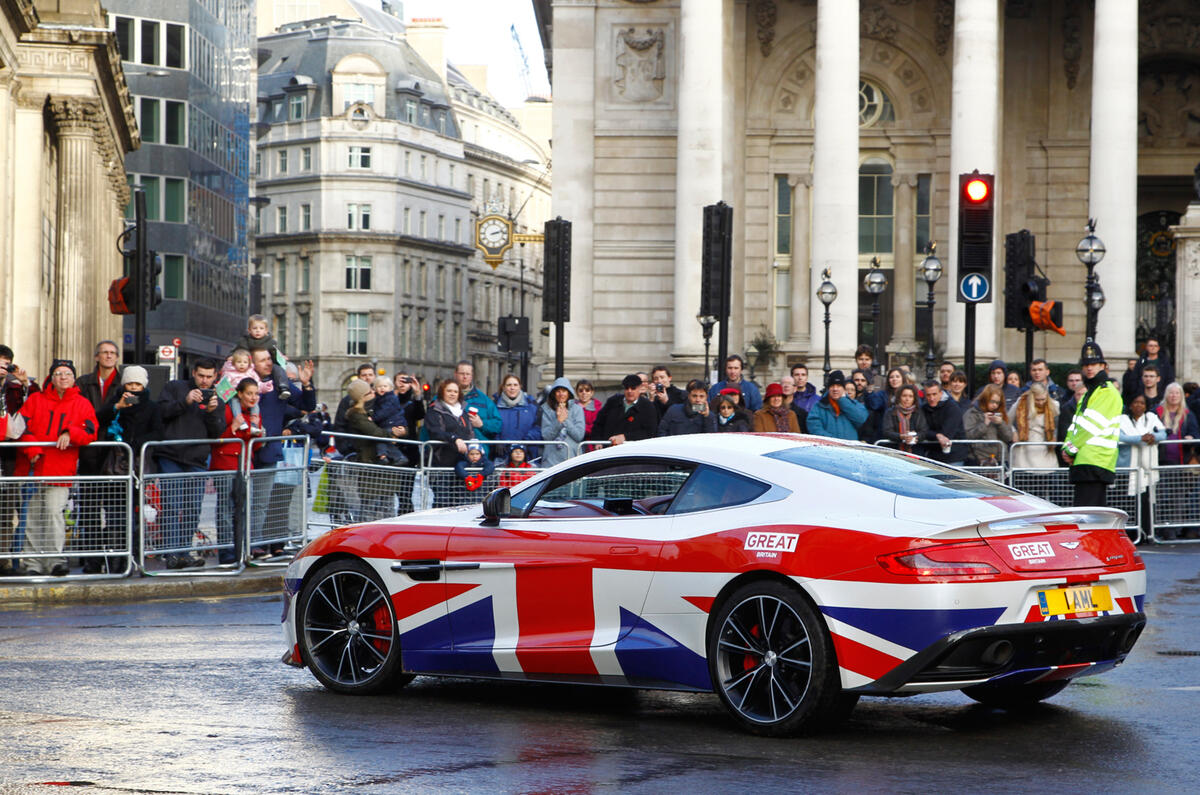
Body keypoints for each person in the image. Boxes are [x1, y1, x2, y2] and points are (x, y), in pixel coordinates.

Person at [18, 360, 98, 576]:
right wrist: (32, 449)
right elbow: (19, 427)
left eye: (67, 374)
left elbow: (91, 431)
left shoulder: (82, 404)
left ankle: (54, 560)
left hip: (60, 469)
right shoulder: (35, 400)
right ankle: (33, 563)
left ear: (74, 379)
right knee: (33, 516)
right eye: (58, 373)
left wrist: (70, 432)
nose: (63, 377)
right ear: (51, 378)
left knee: (54, 514)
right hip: (33, 467)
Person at [156, 358, 225, 569]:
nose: (204, 381)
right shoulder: (175, 387)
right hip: (171, 455)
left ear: (215, 377)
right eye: (201, 376)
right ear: (193, 373)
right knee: (171, 505)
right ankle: (171, 553)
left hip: (196, 459)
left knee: (192, 507)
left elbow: (217, 433)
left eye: (209, 377)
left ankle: (185, 551)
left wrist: (212, 413)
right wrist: (185, 402)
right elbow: (162, 413)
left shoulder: (216, 398)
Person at [93, 365, 162, 572]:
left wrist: (135, 443)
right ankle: (115, 561)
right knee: (114, 514)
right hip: (114, 468)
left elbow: (158, 433)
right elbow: (99, 418)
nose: (133, 388)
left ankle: (132, 557)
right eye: (130, 383)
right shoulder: (116, 402)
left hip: (137, 468)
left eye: (137, 384)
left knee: (133, 515)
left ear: (144, 385)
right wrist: (118, 407)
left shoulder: (152, 407)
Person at [74, 340, 125, 574]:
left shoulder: (125, 382)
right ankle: (92, 561)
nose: (108, 356)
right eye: (104, 353)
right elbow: (82, 415)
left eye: (112, 353)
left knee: (116, 510)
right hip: (91, 453)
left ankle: (116, 560)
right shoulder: (84, 382)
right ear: (96, 357)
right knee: (90, 510)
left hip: (116, 455)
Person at [1062, 342, 1123, 508]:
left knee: (1089, 517)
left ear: (1103, 366)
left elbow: (1091, 427)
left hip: (1096, 461)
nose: (1089, 368)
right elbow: (1076, 424)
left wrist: (1069, 449)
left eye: (1094, 364)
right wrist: (1067, 447)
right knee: (1085, 515)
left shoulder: (1107, 391)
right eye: (1086, 365)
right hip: (1085, 460)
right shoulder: (1091, 391)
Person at [210, 379, 260, 565]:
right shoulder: (228, 409)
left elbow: (256, 445)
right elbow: (216, 436)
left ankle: (244, 549)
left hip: (246, 465)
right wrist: (232, 428)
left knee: (246, 510)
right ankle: (227, 552)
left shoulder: (255, 413)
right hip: (225, 464)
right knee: (225, 510)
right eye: (249, 393)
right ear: (239, 394)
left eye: (256, 394)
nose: (253, 398)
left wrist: (260, 432)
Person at [0, 347, 38, 576]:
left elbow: (36, 408)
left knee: (6, 510)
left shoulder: (15, 388)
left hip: (10, 456)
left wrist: (27, 385)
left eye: (6, 363)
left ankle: (3, 561)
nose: (3, 368)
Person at [1117, 394, 1165, 538]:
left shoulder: (1151, 418)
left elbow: (1163, 434)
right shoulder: (1122, 419)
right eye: (1135, 402)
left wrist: (1153, 437)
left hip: (1147, 469)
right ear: (1130, 405)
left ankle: (1146, 533)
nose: (1139, 405)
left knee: (1146, 502)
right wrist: (1140, 438)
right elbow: (1119, 436)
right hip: (1128, 468)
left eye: (1142, 403)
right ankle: (1129, 534)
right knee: (1127, 502)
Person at [233, 314, 292, 400]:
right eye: (255, 328)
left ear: (266, 331)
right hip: (248, 366)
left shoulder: (270, 342)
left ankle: (283, 387)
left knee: (278, 369)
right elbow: (237, 352)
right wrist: (231, 357)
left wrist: (281, 357)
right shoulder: (244, 341)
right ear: (249, 330)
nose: (258, 331)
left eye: (261, 328)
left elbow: (276, 352)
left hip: (269, 373)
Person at [593, 374, 657, 445]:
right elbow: (598, 423)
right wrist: (598, 441)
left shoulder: (647, 406)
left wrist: (625, 437)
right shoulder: (613, 401)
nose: (629, 391)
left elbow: (649, 432)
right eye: (627, 388)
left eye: (633, 388)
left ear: (639, 388)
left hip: (632, 449)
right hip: (608, 446)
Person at [806, 371, 867, 441]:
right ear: (828, 388)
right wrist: (833, 441)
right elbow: (814, 428)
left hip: (849, 449)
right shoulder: (818, 406)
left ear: (844, 388)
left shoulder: (854, 404)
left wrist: (843, 401)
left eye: (838, 386)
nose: (835, 389)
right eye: (832, 386)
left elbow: (861, 419)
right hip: (827, 448)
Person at [1010, 382, 1059, 469]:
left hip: (1046, 449)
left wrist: (1054, 436)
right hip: (1024, 451)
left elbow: (1058, 425)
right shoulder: (1021, 403)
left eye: (1043, 399)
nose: (1041, 403)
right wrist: (1014, 432)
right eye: (1037, 400)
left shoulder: (1054, 405)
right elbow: (1007, 420)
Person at [493, 374, 541, 460]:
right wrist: (497, 440)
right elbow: (492, 426)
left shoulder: (532, 405)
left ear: (520, 387)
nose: (512, 388)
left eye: (515, 385)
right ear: (503, 387)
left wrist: (525, 441)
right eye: (509, 385)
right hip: (502, 455)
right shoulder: (494, 405)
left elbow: (538, 427)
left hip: (527, 455)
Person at [964, 384, 1013, 467]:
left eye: (997, 403)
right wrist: (984, 424)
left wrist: (1001, 424)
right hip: (979, 460)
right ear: (985, 399)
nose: (995, 405)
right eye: (992, 401)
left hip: (1000, 459)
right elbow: (968, 436)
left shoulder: (1002, 413)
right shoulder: (972, 413)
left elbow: (1009, 438)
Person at [540, 377, 584, 467]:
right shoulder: (546, 409)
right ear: (554, 393)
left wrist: (565, 420)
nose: (561, 394)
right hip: (551, 460)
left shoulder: (577, 409)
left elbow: (579, 435)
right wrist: (558, 421)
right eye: (558, 391)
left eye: (564, 391)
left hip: (572, 458)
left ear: (569, 393)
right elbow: (546, 436)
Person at [216, 349, 262, 432]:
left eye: (245, 362)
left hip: (247, 396)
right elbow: (223, 384)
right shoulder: (229, 373)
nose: (242, 364)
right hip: (234, 395)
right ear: (233, 363)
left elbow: (258, 383)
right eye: (239, 362)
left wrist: (265, 386)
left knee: (255, 405)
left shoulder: (251, 373)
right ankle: (240, 421)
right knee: (235, 404)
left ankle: (254, 424)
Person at [921, 380, 966, 464]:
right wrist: (937, 435)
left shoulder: (952, 407)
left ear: (941, 393)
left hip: (954, 456)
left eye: (934, 394)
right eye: (928, 395)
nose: (931, 398)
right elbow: (921, 430)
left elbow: (946, 434)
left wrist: (932, 434)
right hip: (932, 456)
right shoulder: (923, 408)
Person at [455, 360, 501, 440]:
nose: (465, 377)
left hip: (478, 448)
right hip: (452, 447)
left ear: (472, 376)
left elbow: (497, 424)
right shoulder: (444, 396)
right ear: (455, 374)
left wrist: (482, 424)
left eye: (468, 374)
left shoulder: (484, 400)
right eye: (462, 373)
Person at [1156, 382, 1199, 465]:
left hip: (1182, 460)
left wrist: (1191, 437)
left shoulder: (1188, 414)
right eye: (1171, 393)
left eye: (1177, 393)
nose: (1174, 396)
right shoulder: (1156, 412)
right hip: (1159, 460)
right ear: (1166, 395)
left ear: (1181, 396)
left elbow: (1195, 433)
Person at [368, 379, 408, 463]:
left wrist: (373, 418)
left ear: (390, 388)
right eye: (379, 386)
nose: (382, 388)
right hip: (388, 423)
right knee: (384, 440)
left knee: (381, 437)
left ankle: (386, 456)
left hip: (393, 424)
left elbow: (384, 412)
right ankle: (386, 456)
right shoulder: (380, 399)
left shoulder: (390, 398)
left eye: (385, 386)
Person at [883, 385, 928, 452]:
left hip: (915, 451)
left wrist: (916, 436)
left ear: (914, 398)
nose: (907, 399)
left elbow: (924, 431)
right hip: (894, 450)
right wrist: (902, 436)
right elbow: (887, 431)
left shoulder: (918, 412)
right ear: (899, 397)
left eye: (910, 396)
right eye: (904, 396)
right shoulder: (891, 412)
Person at [852, 368, 887, 443]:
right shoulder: (846, 398)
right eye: (856, 380)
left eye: (863, 380)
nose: (859, 383)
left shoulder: (871, 399)